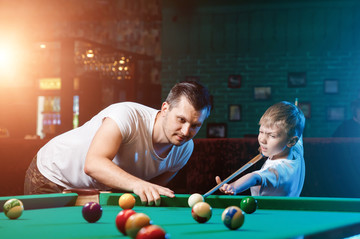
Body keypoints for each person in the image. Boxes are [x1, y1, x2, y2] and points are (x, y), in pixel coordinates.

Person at [24, 81, 212, 205]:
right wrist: (138, 185)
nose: (187, 132)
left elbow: (149, 190)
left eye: (195, 125)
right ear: (165, 109)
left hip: (93, 191)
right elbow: (94, 164)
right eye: (181, 120)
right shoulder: (126, 115)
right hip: (52, 174)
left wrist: (141, 188)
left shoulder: (185, 149)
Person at [215, 101, 305, 196]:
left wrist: (234, 186)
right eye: (261, 132)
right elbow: (299, 137)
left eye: (272, 136)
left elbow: (254, 177)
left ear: (291, 141)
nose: (262, 140)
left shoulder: (279, 169)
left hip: (267, 210)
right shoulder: (296, 149)